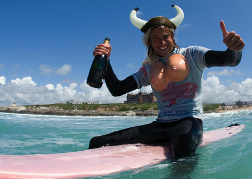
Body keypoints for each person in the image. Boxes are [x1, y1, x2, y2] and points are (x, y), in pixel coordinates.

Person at [88, 5, 245, 157]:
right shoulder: (148, 69)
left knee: (183, 142)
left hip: (189, 121)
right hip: (161, 125)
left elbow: (229, 60)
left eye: (165, 37)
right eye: (155, 38)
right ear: (149, 41)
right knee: (97, 142)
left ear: (173, 37)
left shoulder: (192, 55)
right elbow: (117, 89)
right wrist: (106, 61)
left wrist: (234, 50)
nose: (161, 42)